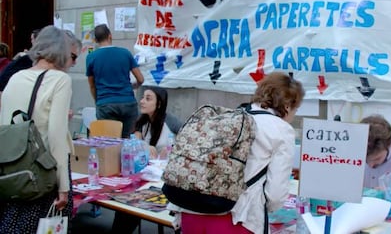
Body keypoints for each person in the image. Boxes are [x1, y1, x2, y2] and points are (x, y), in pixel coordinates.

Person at [167, 71, 305, 234]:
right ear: (288, 106)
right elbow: (275, 195)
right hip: (236, 219)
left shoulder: (230, 117)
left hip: (190, 211)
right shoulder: (282, 130)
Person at [0, 26, 74, 233]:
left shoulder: (16, 77)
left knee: (13, 223)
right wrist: (64, 186)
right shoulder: (60, 80)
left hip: (13, 166)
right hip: (42, 168)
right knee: (47, 225)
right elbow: (56, 136)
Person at [111, 86, 183, 233]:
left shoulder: (170, 121)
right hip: (147, 175)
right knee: (127, 204)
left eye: (148, 99)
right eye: (142, 97)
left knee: (133, 203)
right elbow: (133, 140)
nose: (142, 101)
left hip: (166, 178)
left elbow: (189, 137)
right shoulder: (142, 121)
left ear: (159, 104)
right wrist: (141, 144)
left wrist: (173, 147)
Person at [86, 24, 145, 138]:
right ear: (110, 36)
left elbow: (92, 85)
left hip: (105, 103)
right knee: (128, 141)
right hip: (127, 101)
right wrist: (133, 86)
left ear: (96, 40)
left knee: (109, 143)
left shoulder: (91, 57)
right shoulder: (125, 53)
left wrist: (98, 101)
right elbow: (140, 79)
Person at [361, 114, 391, 189]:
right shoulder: (348, 151)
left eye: (377, 159)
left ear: (389, 145)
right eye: (365, 160)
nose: (371, 165)